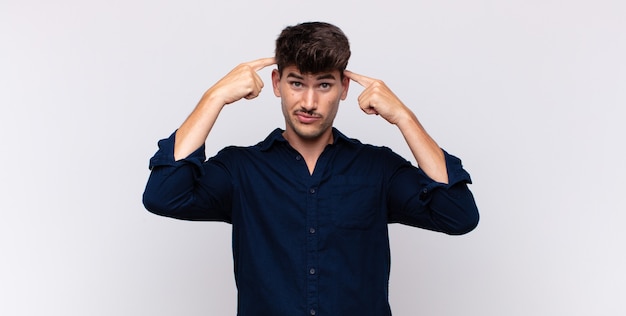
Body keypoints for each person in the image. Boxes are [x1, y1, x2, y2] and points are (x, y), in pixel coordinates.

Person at [143, 21, 479, 316]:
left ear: (343, 88)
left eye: (324, 84)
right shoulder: (241, 169)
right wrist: (213, 97)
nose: (308, 102)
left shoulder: (377, 169)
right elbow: (163, 194)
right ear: (276, 84)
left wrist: (404, 118)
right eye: (296, 83)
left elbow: (458, 215)